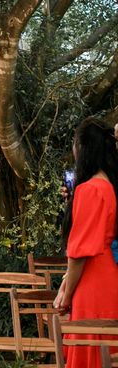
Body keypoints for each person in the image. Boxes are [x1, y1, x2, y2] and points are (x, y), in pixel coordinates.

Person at [53, 118, 118, 367]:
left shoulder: (89, 189)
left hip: (93, 285)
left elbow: (79, 254)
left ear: (82, 148)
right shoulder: (111, 186)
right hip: (111, 279)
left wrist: (67, 294)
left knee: (91, 349)